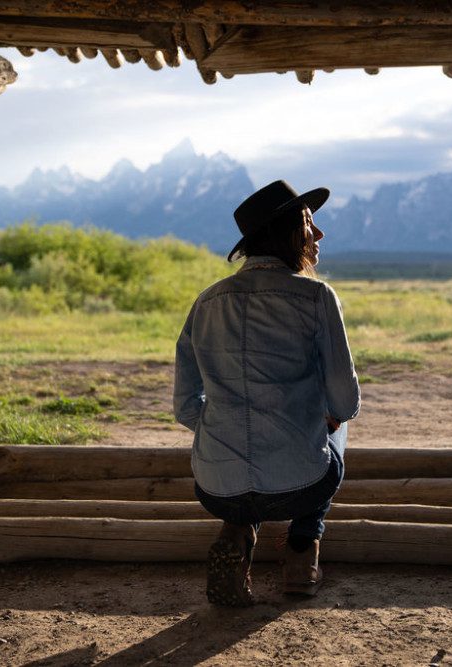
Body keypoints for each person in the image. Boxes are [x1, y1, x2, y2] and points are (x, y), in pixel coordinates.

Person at [173, 180, 361, 607]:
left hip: (215, 489)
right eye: (310, 223)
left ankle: (236, 532)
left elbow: (185, 405)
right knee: (338, 427)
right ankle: (301, 551)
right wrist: (326, 416)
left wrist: (221, 425)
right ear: (290, 233)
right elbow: (346, 402)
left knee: (237, 445)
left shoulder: (205, 302)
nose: (319, 235)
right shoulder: (316, 296)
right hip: (301, 486)